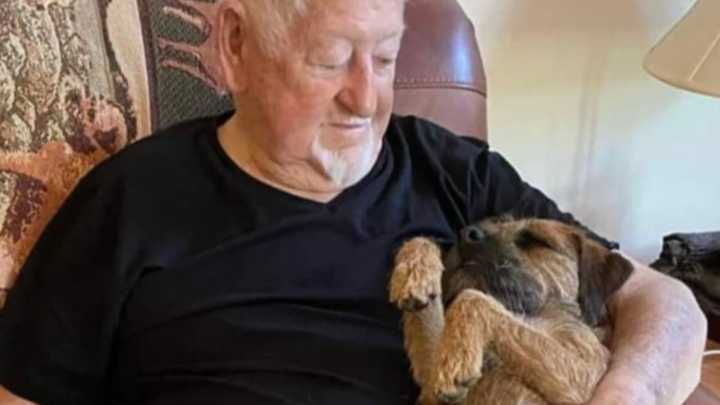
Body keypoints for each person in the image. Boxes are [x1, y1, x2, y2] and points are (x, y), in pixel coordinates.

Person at [0, 0, 707, 404]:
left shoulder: (453, 174)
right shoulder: (134, 197)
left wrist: (632, 390)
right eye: (332, 59)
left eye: (388, 60)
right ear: (237, 45)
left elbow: (659, 299)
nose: (365, 97)